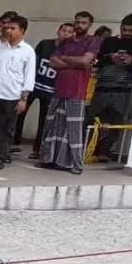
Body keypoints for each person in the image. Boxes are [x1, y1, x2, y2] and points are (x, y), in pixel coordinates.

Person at [39, 11, 101, 175]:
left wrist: (65, 59)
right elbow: (53, 62)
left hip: (76, 91)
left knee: (73, 129)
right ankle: (49, 159)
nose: (80, 25)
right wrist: (76, 62)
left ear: (89, 25)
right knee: (52, 126)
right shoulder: (66, 42)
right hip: (59, 89)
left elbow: (85, 61)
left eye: (84, 23)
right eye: (78, 22)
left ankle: (75, 164)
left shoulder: (92, 41)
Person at [87, 13, 132, 161]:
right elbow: (94, 60)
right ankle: (87, 149)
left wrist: (131, 62)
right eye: (124, 29)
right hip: (102, 87)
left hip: (123, 90)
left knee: (116, 122)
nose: (126, 33)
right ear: (120, 26)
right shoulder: (107, 42)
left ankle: (102, 151)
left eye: (130, 30)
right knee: (91, 119)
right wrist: (109, 58)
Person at [0, 14, 36, 169]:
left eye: (13, 28)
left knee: (7, 129)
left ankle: (1, 156)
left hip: (12, 96)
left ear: (22, 30)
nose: (8, 31)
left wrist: (23, 98)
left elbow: (29, 76)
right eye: (7, 28)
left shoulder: (27, 51)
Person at [26, 22, 73, 160]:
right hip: (35, 84)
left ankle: (37, 148)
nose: (65, 33)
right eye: (63, 30)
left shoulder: (70, 51)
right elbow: (33, 61)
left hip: (51, 89)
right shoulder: (45, 44)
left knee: (44, 120)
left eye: (69, 32)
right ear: (58, 31)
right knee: (19, 113)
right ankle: (12, 142)